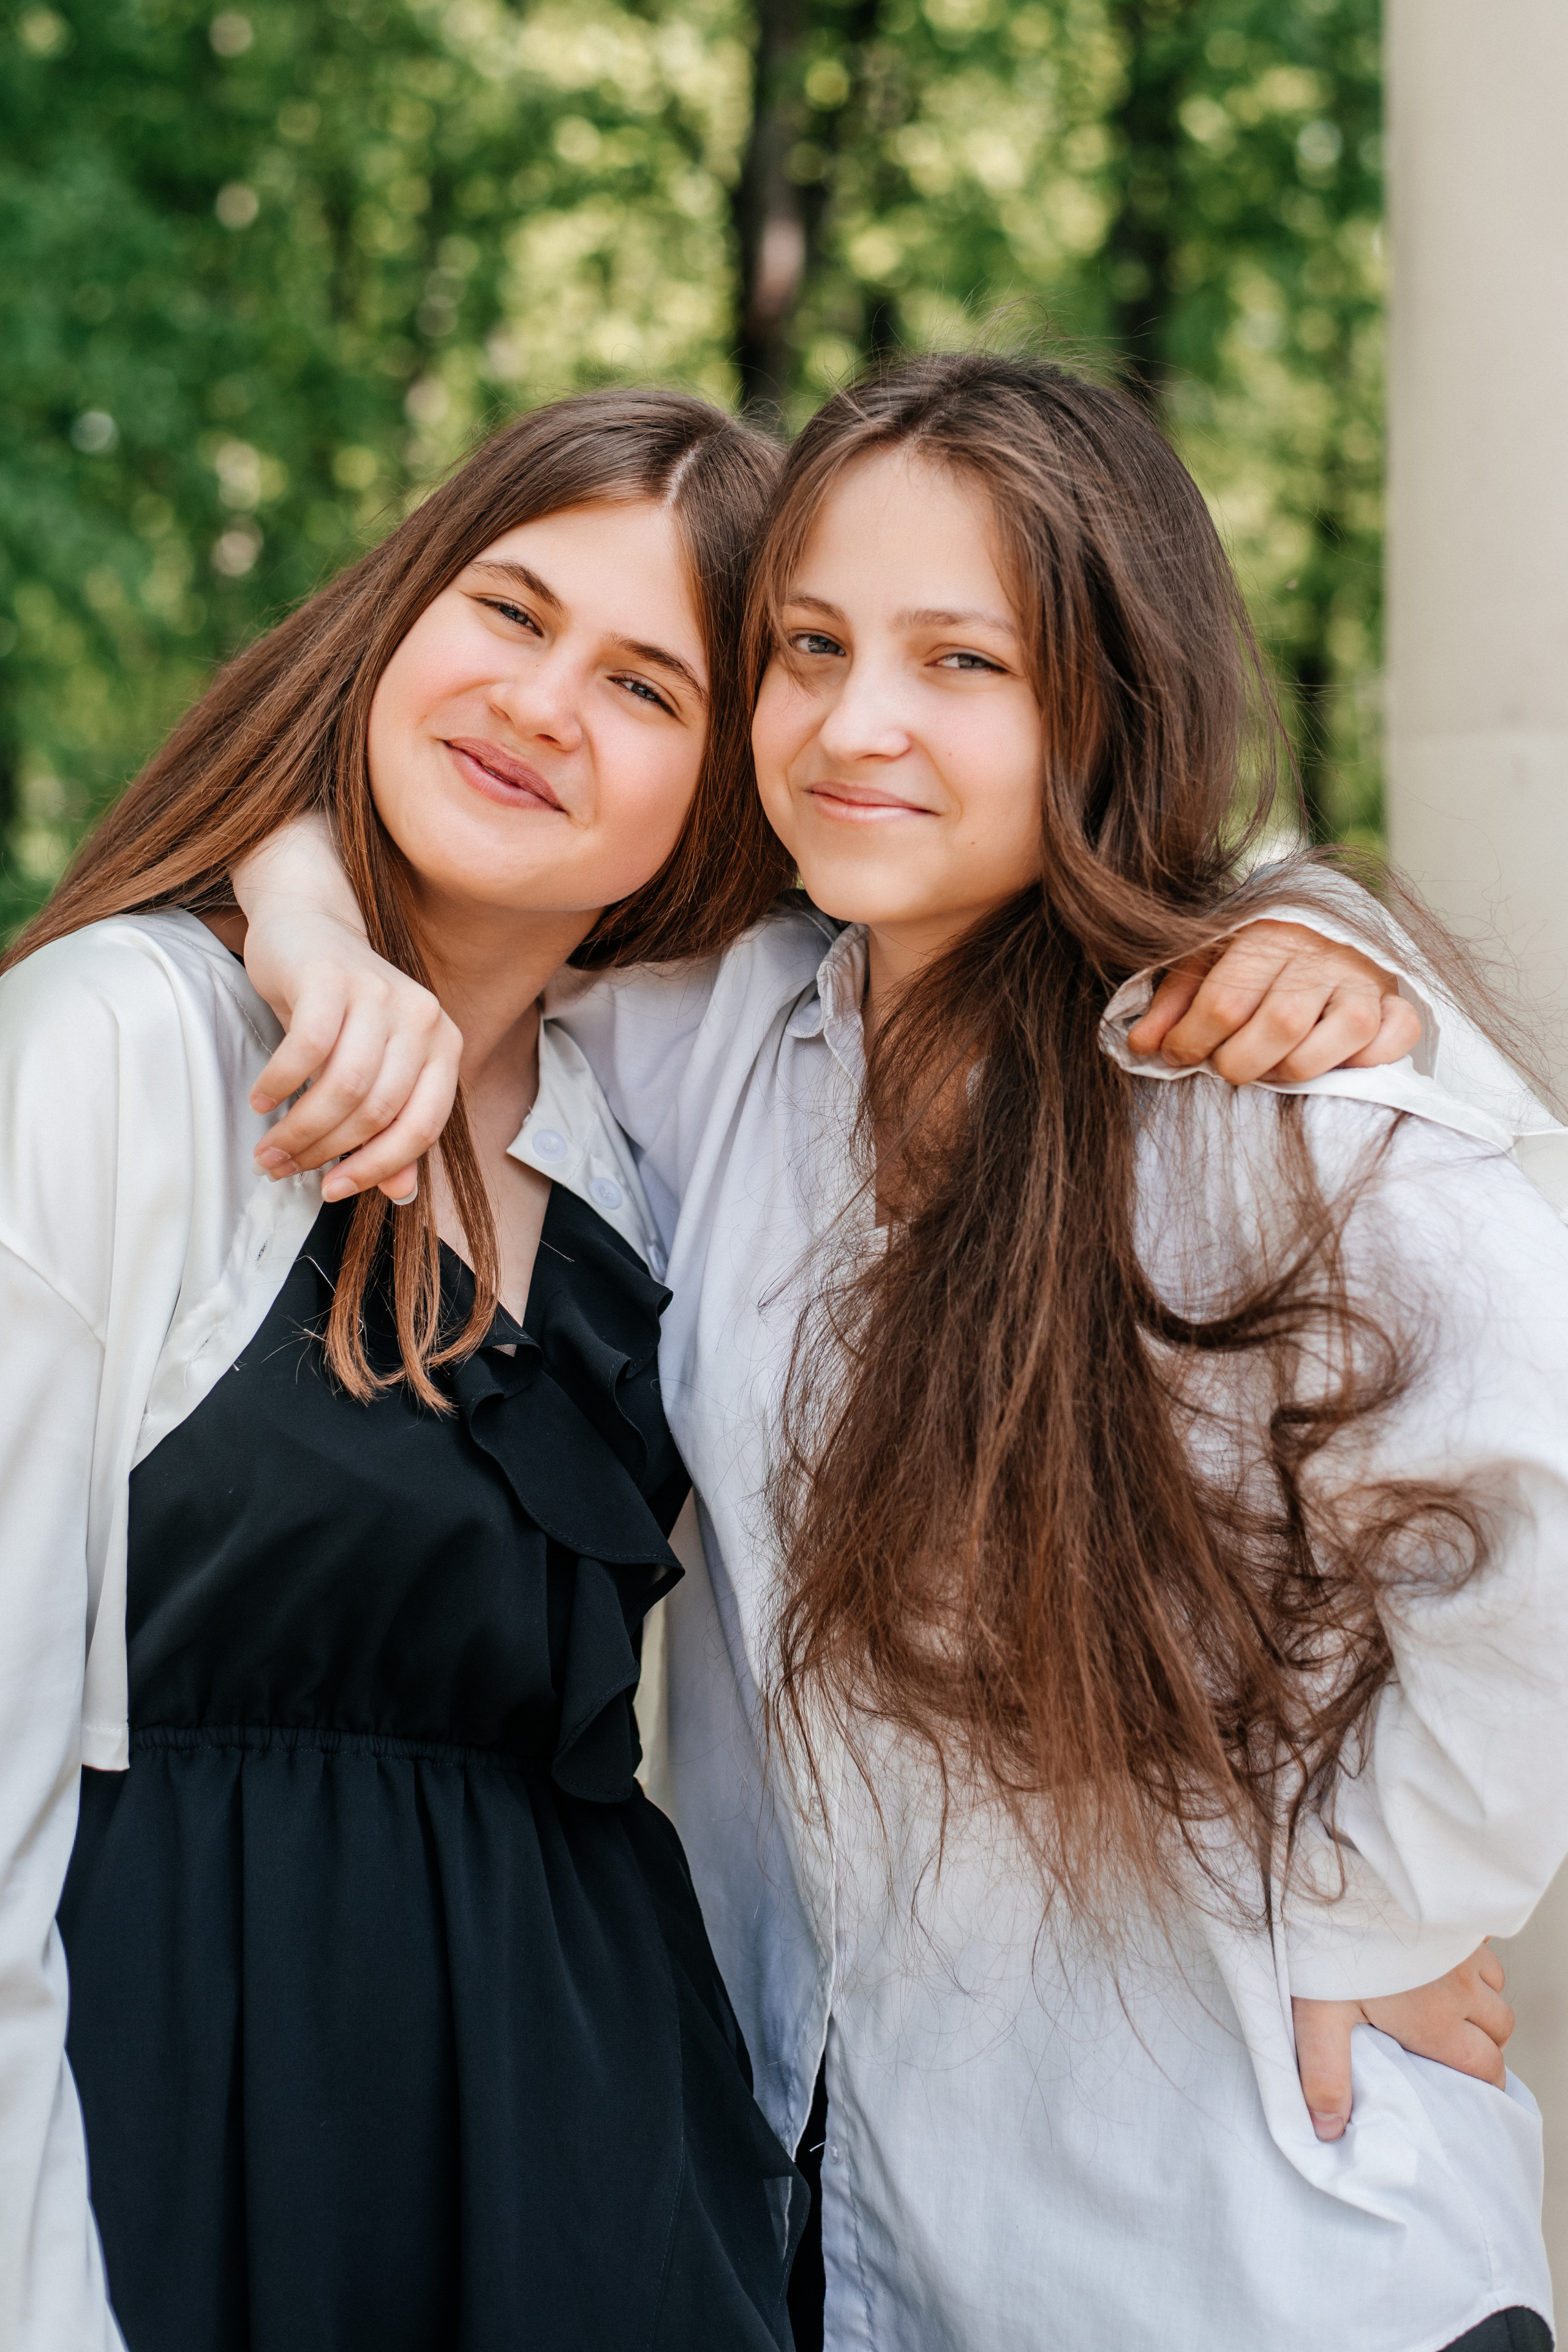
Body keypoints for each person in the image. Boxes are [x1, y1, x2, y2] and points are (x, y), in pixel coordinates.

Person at [233, 353, 1568, 2352]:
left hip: (1253, 2248)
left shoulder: (1268, 1091)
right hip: (852, 2239)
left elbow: (1527, 1509)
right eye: (808, 649)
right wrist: (310, 938)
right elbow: (428, 853)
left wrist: (1399, 1900)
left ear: (1112, 695)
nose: (858, 726)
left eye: (966, 663)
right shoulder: (737, 1039)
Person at [0, 388, 813, 2352]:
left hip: (594, 2163)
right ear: (396, 619)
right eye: (510, 612)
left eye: (645, 684)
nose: (542, 704)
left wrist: (1359, 1925)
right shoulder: (127, 1049)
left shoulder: (679, 1132)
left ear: (719, 798)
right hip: (188, 2135)